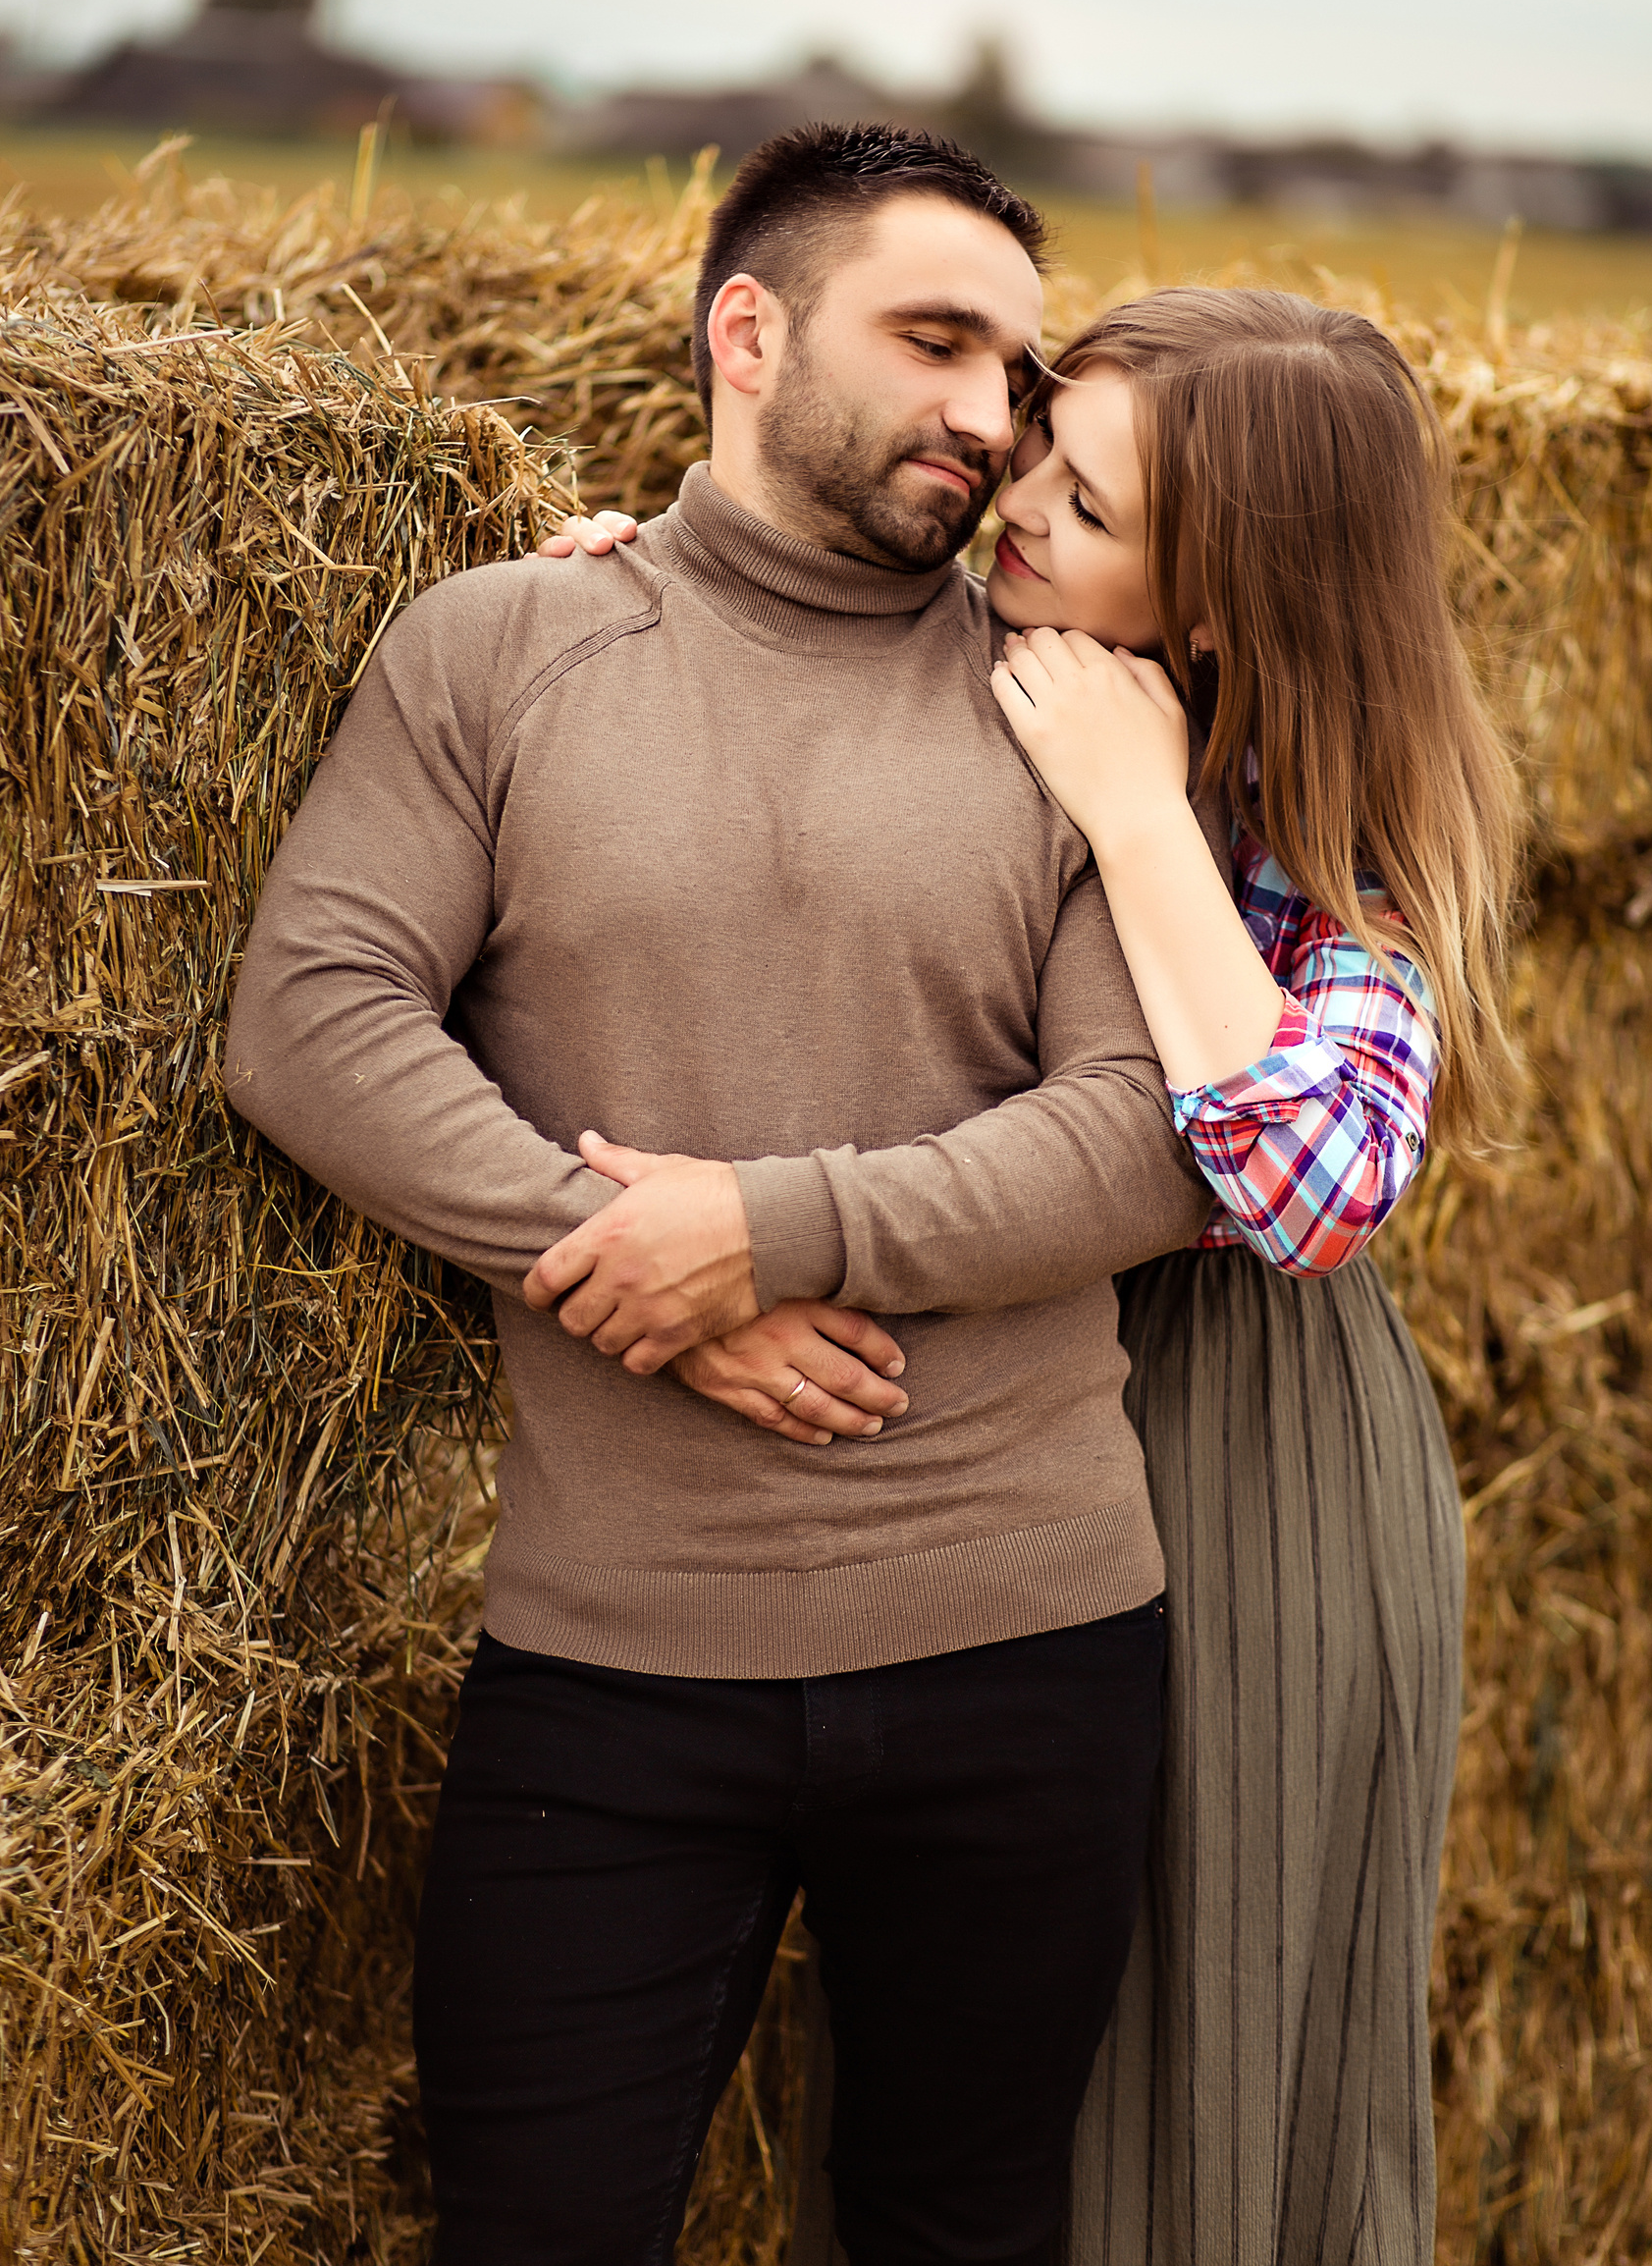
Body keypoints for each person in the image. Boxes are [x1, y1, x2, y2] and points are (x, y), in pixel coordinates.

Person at [222, 125, 1229, 2266]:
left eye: (1018, 369)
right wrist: (640, 1275)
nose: (992, 413)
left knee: (958, 2224)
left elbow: (1149, 1131)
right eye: (935, 338)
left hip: (1029, 1641)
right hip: (612, 1656)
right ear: (746, 332)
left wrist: (767, 1229)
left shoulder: (1065, 709)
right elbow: (313, 1017)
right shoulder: (500, 644)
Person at [563, 287, 1519, 2263]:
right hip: (971, 1413)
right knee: (956, 2084)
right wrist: (613, 615)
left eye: (1078, 505)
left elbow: (1311, 1185)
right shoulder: (963, 627)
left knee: (1177, 2056)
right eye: (1029, 438)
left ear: (1221, 606)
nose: (1004, 501)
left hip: (1228, 1448)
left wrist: (1132, 808)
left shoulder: (1316, 823)